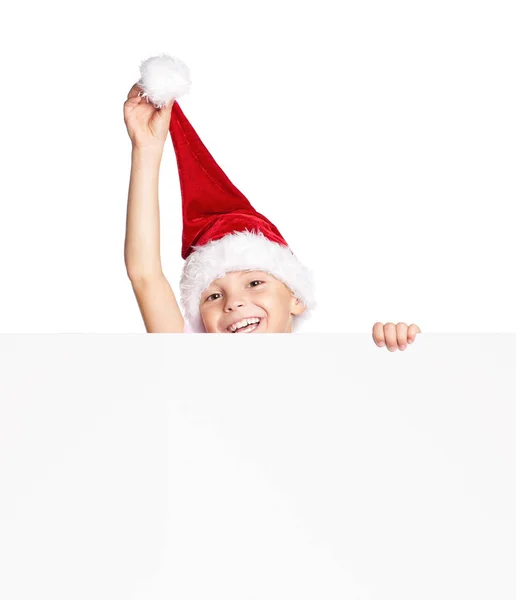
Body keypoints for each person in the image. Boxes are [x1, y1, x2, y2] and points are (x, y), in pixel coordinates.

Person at [123, 55, 421, 350]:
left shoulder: (334, 372)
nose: (234, 302)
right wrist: (146, 148)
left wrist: (400, 350)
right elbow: (144, 274)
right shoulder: (193, 361)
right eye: (213, 296)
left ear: (296, 298)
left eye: (255, 283)